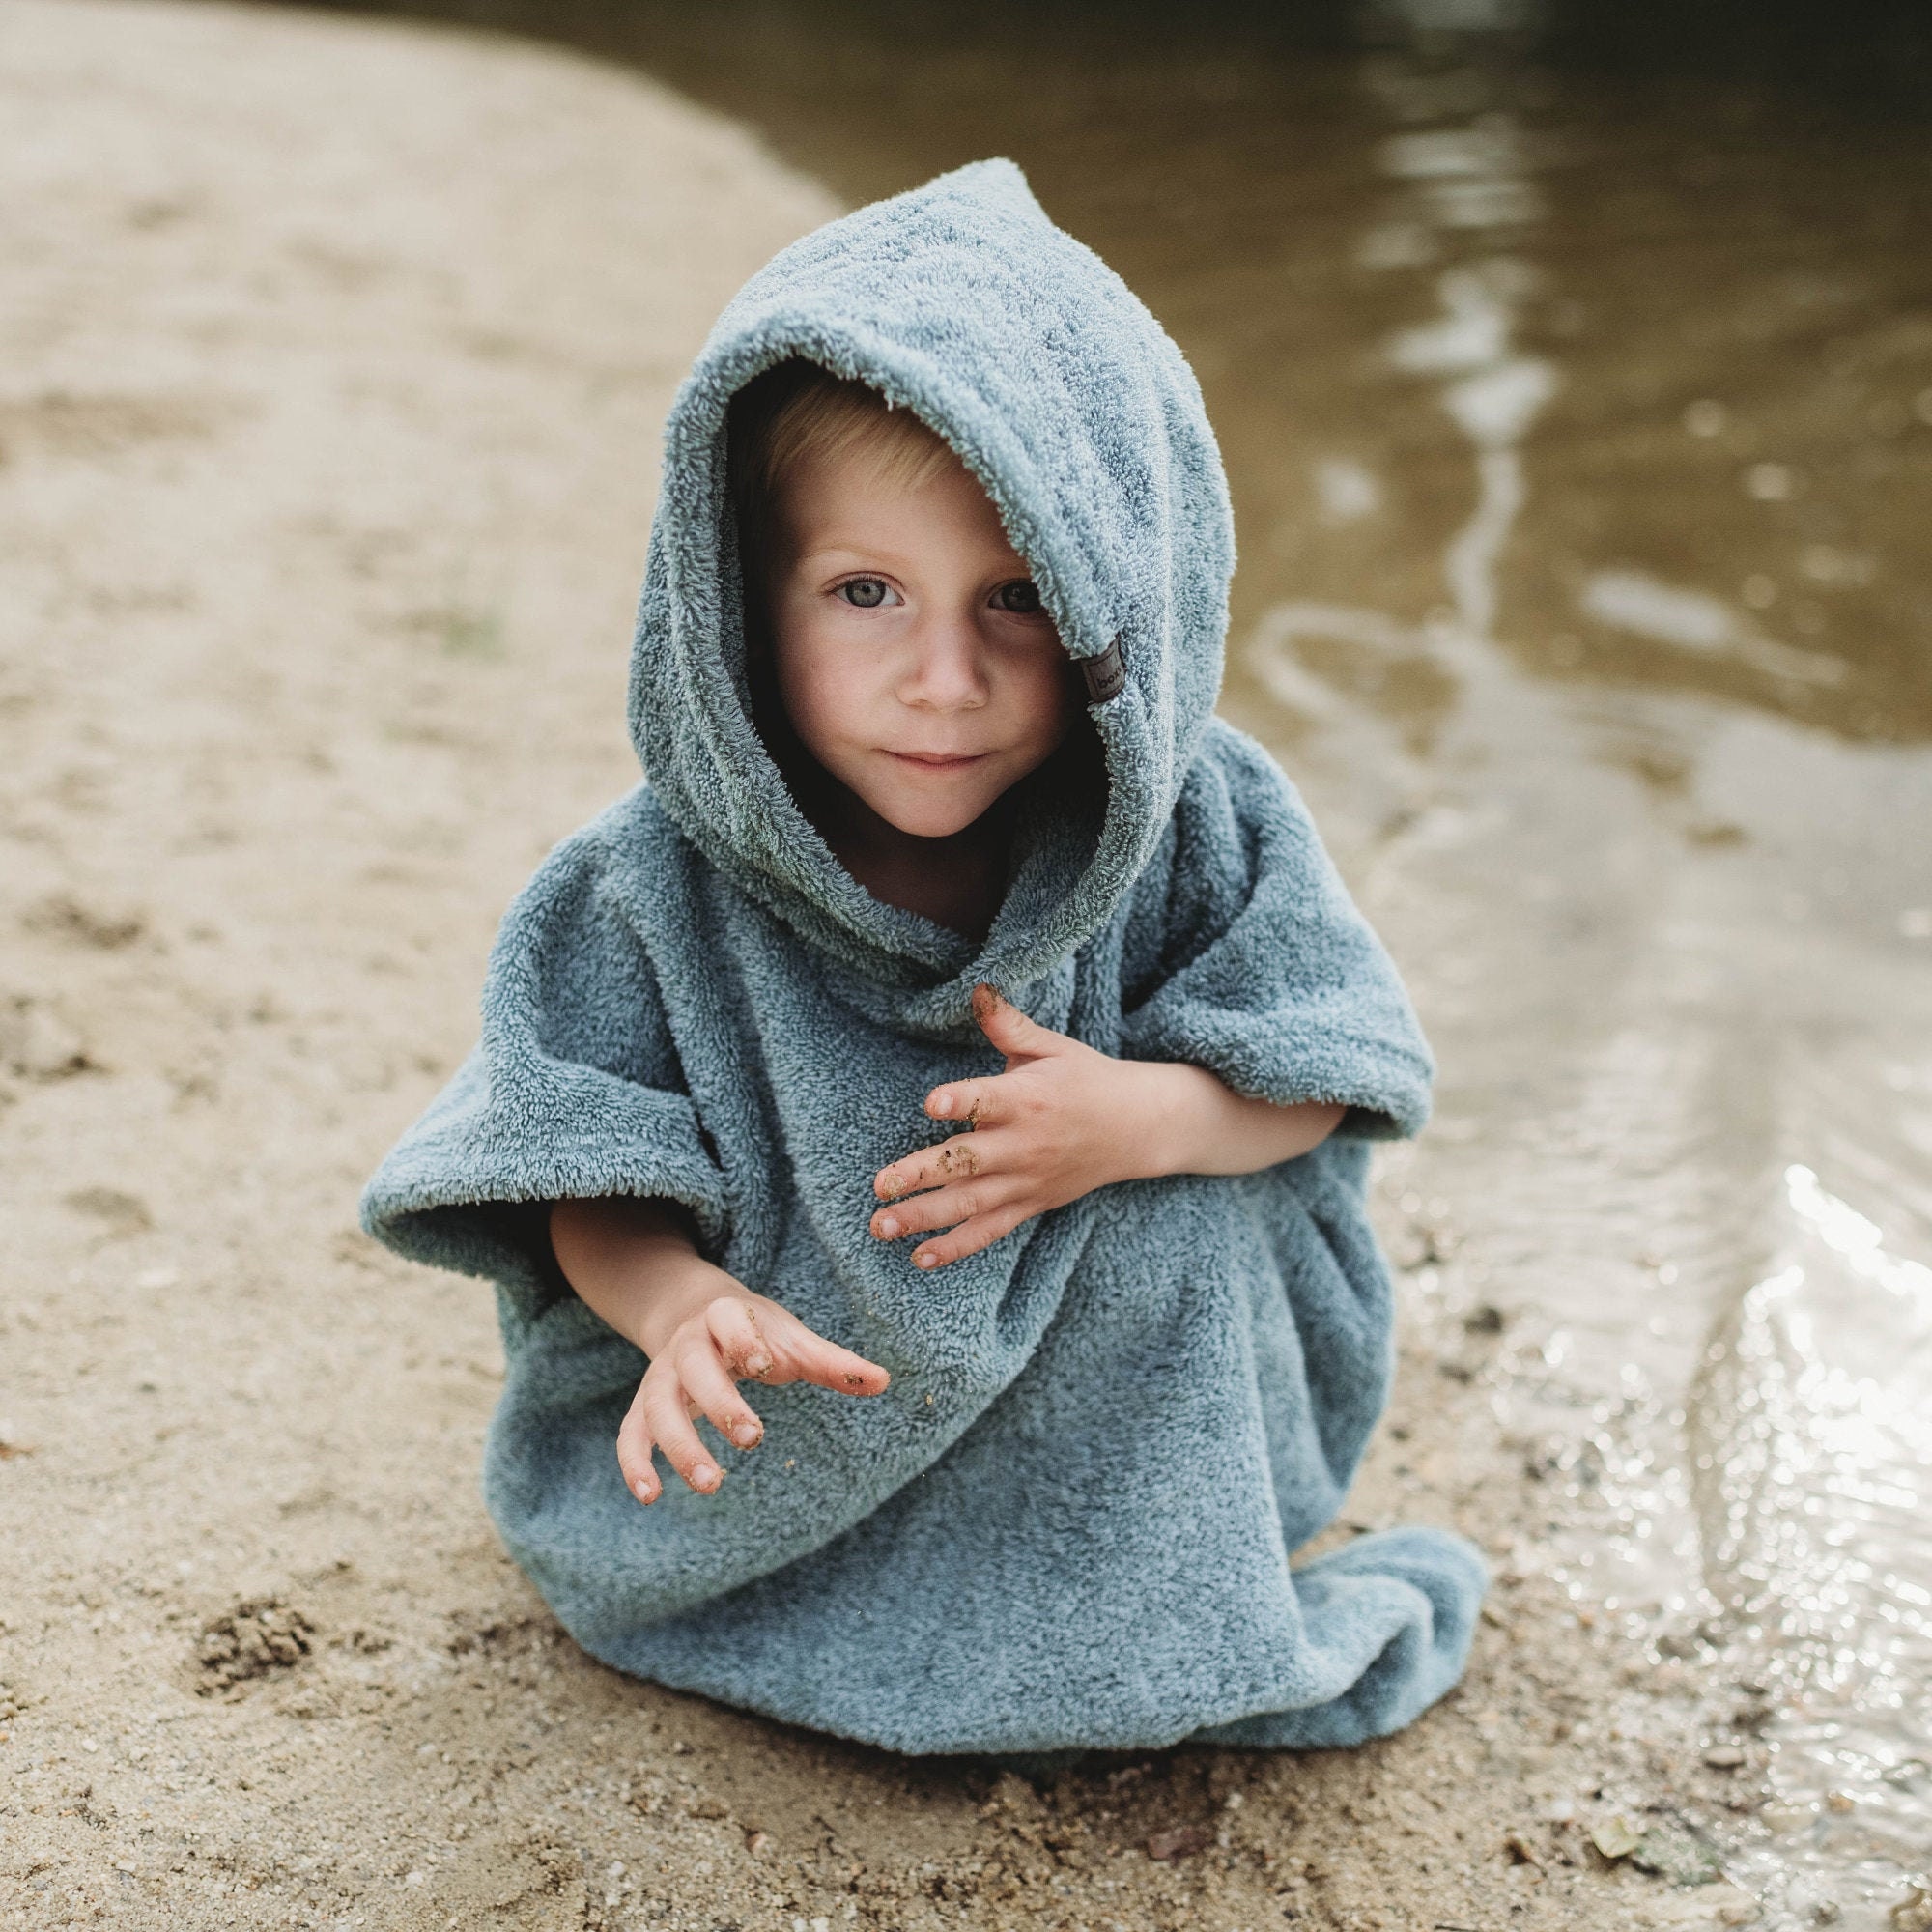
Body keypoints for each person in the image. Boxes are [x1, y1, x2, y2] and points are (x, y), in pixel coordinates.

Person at [361, 159, 1484, 1757]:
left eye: (1019, 600)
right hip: (810, 1413)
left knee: (1170, 1224)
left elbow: (1331, 1078)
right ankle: (864, 1597)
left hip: (1125, 1442)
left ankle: (1116, 1614)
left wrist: (1146, 1120)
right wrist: (680, 1310)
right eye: (865, 593)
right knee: (711, 1327)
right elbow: (581, 1172)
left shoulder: (1200, 826)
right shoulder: (649, 887)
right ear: (743, 602)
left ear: (1125, 598)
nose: (943, 681)